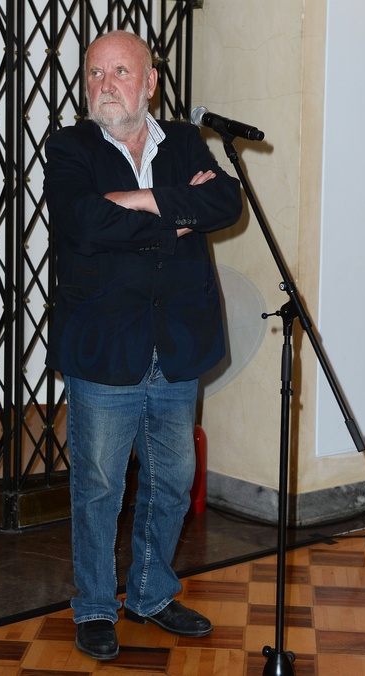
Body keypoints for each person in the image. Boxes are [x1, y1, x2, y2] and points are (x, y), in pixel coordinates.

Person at [44, 29, 242, 661]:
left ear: (150, 81)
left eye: (120, 72)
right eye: (95, 73)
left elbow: (225, 201)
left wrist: (140, 201)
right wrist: (176, 217)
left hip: (177, 343)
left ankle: (152, 594)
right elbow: (83, 220)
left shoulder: (184, 140)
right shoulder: (69, 147)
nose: (105, 85)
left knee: (174, 481)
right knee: (100, 487)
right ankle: (96, 606)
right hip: (104, 347)